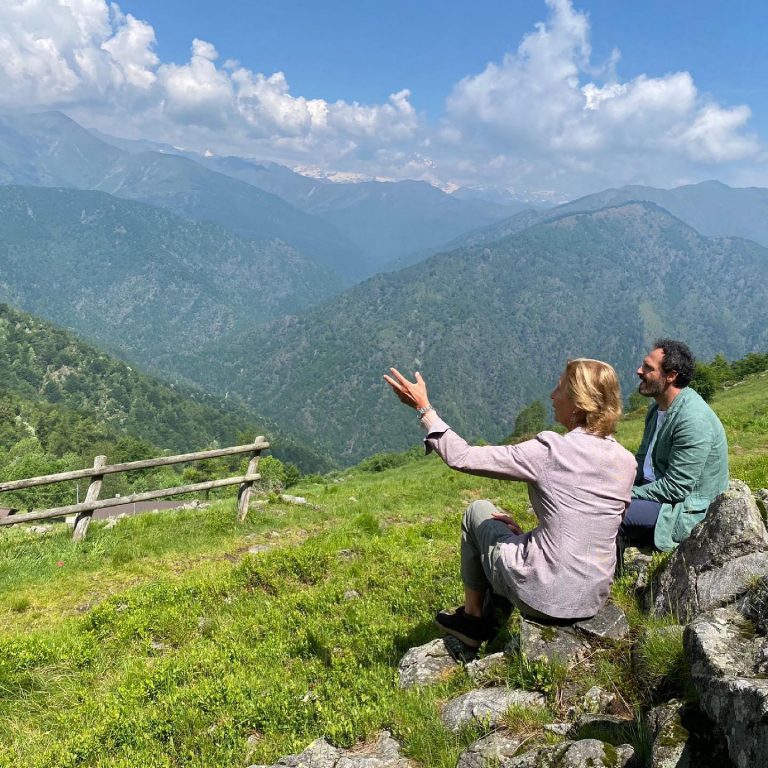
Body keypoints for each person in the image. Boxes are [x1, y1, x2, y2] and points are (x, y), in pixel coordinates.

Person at [384, 359, 636, 648]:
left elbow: (462, 457)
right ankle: (493, 610)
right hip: (593, 597)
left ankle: (473, 621)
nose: (552, 396)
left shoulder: (551, 450)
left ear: (579, 404)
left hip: (546, 596)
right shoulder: (627, 462)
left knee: (478, 512)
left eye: (560, 388)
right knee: (513, 537)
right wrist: (530, 538)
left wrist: (424, 409)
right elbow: (594, 524)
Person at [621, 339, 729, 552]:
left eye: (648, 368)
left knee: (604, 512)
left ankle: (603, 579)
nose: (639, 371)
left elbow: (676, 488)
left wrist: (624, 494)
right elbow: (642, 460)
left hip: (683, 507)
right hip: (655, 493)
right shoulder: (656, 411)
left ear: (671, 376)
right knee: (595, 502)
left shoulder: (692, 419)